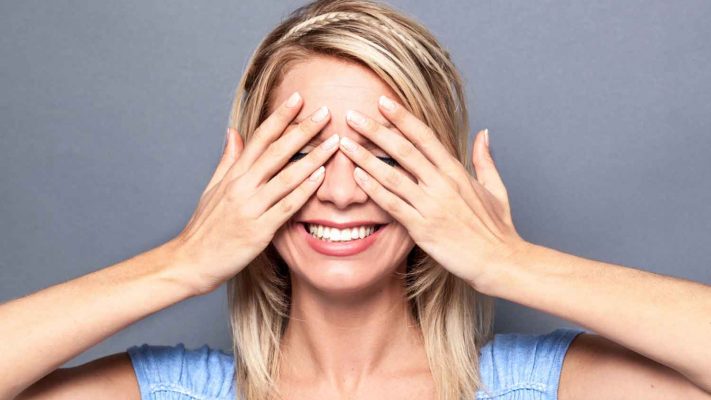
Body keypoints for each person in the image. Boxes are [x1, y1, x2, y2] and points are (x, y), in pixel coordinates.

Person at [3, 0, 710, 399]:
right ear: (246, 176)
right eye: (304, 153)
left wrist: (509, 263)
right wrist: (181, 263)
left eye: (383, 154)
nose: (341, 194)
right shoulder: (173, 393)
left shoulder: (543, 386)